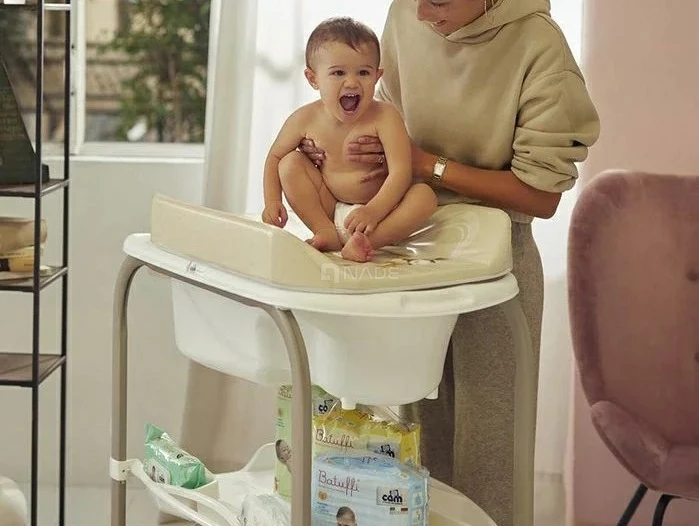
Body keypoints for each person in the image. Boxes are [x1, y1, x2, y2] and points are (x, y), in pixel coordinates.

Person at [299, 1, 601, 525]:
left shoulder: (537, 46)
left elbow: (542, 196)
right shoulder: (405, 18)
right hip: (411, 250)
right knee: (418, 461)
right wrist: (335, 155)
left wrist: (426, 164)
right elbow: (381, 125)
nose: (420, 12)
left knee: (490, 472)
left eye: (437, 0)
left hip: (494, 262)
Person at [261, 16, 437, 262]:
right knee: (289, 163)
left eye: (363, 72)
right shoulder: (304, 119)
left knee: (424, 197)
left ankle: (367, 243)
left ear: (377, 76)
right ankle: (325, 231)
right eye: (338, 73)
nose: (352, 81)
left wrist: (374, 211)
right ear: (313, 78)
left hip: (383, 212)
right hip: (330, 205)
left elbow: (400, 172)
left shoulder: (386, 116)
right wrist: (272, 201)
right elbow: (275, 156)